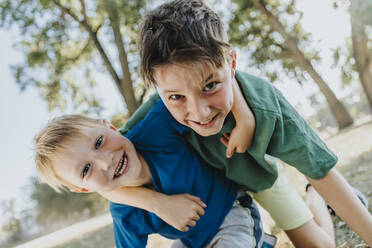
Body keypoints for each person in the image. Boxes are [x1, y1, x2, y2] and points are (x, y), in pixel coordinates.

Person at [117, 0, 372, 247]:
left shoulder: (265, 107)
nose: (200, 112)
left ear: (232, 64)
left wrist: (246, 117)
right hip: (215, 198)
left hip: (255, 172)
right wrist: (156, 203)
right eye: (176, 97)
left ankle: (314, 196)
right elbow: (101, 175)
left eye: (210, 85)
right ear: (157, 90)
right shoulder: (155, 115)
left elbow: (321, 171)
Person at [33, 106, 266, 248]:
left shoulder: (156, 131)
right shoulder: (125, 214)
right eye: (85, 170)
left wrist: (244, 117)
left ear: (111, 127)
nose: (105, 161)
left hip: (231, 214)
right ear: (84, 189)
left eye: (98, 142)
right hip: (191, 242)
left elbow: (188, 90)